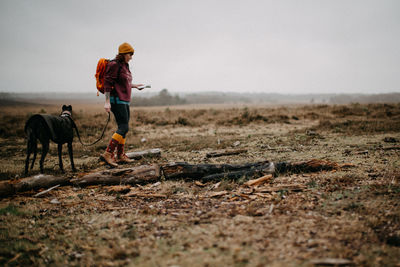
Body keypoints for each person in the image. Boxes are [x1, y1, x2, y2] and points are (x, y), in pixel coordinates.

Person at [100, 42, 144, 167]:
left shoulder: (125, 65)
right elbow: (107, 84)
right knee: (124, 127)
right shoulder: (114, 64)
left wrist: (135, 86)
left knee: (123, 128)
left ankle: (120, 155)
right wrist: (107, 102)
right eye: (130, 54)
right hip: (116, 100)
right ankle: (108, 154)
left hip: (125, 100)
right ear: (124, 53)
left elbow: (123, 82)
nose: (131, 57)